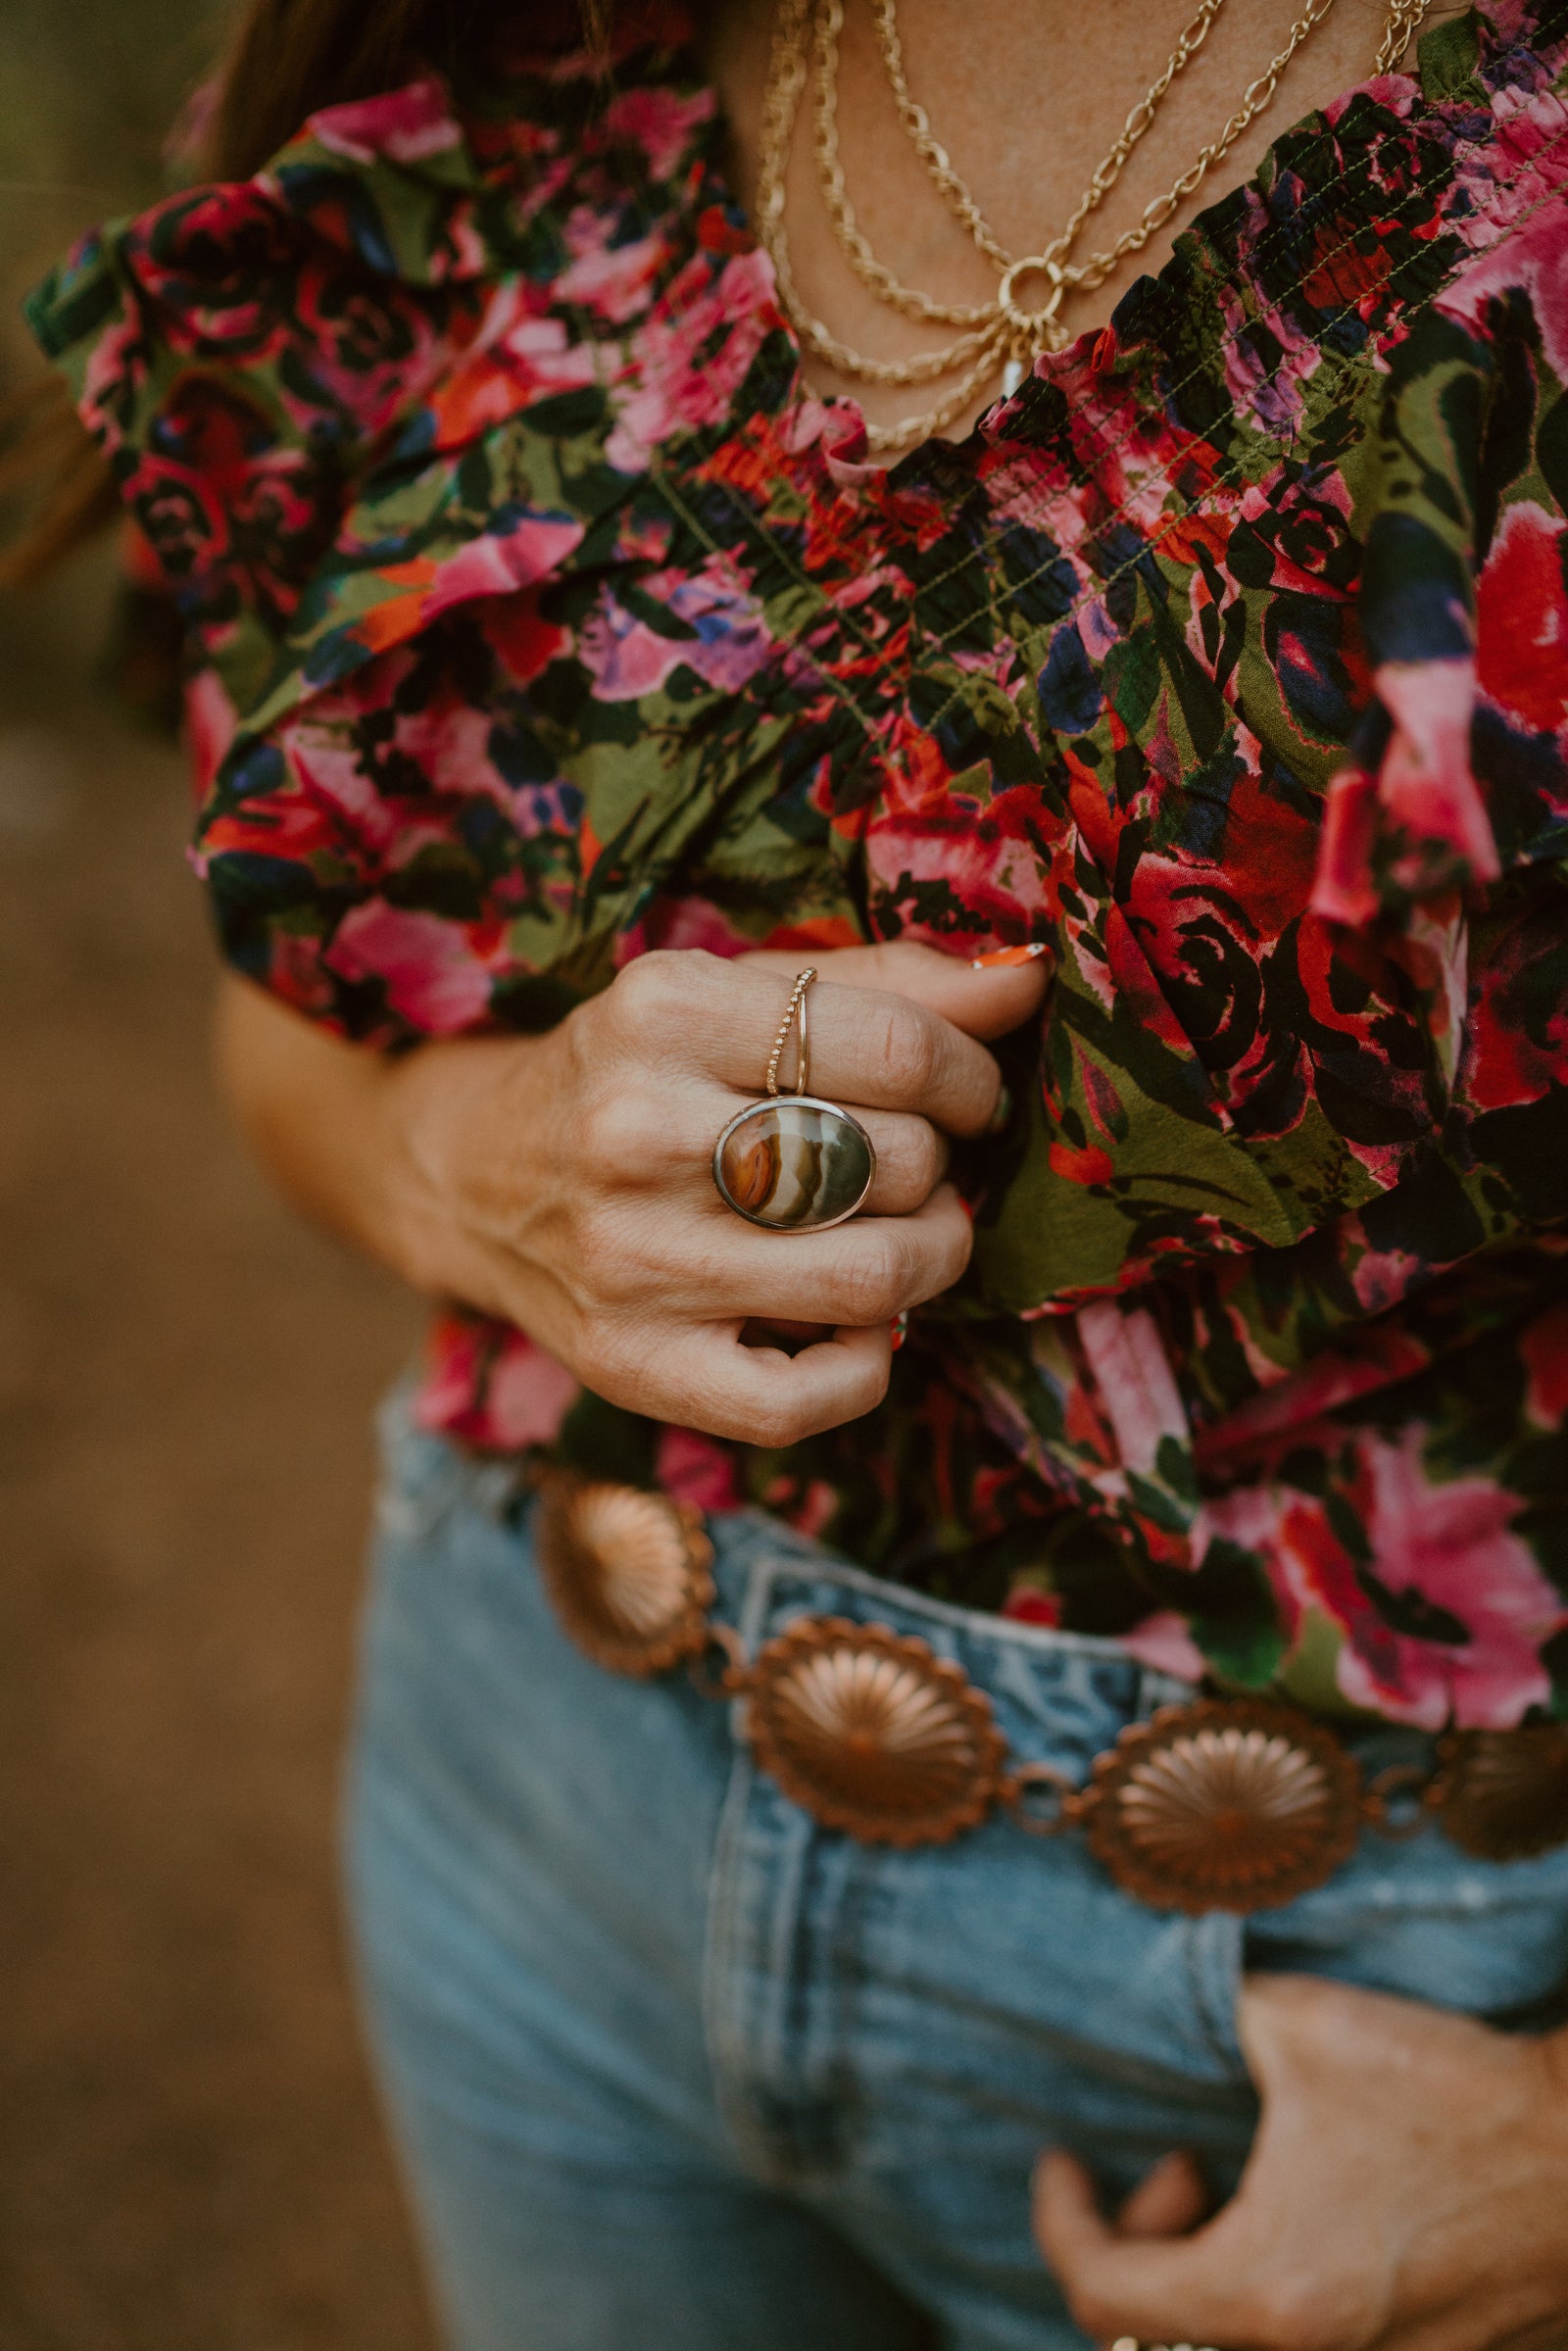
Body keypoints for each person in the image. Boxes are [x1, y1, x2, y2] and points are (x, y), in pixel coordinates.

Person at [22, 0, 1568, 2342]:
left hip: (1366, 2020)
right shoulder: (531, 52)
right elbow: (293, 1018)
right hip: (527, 1801)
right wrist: (469, 1164)